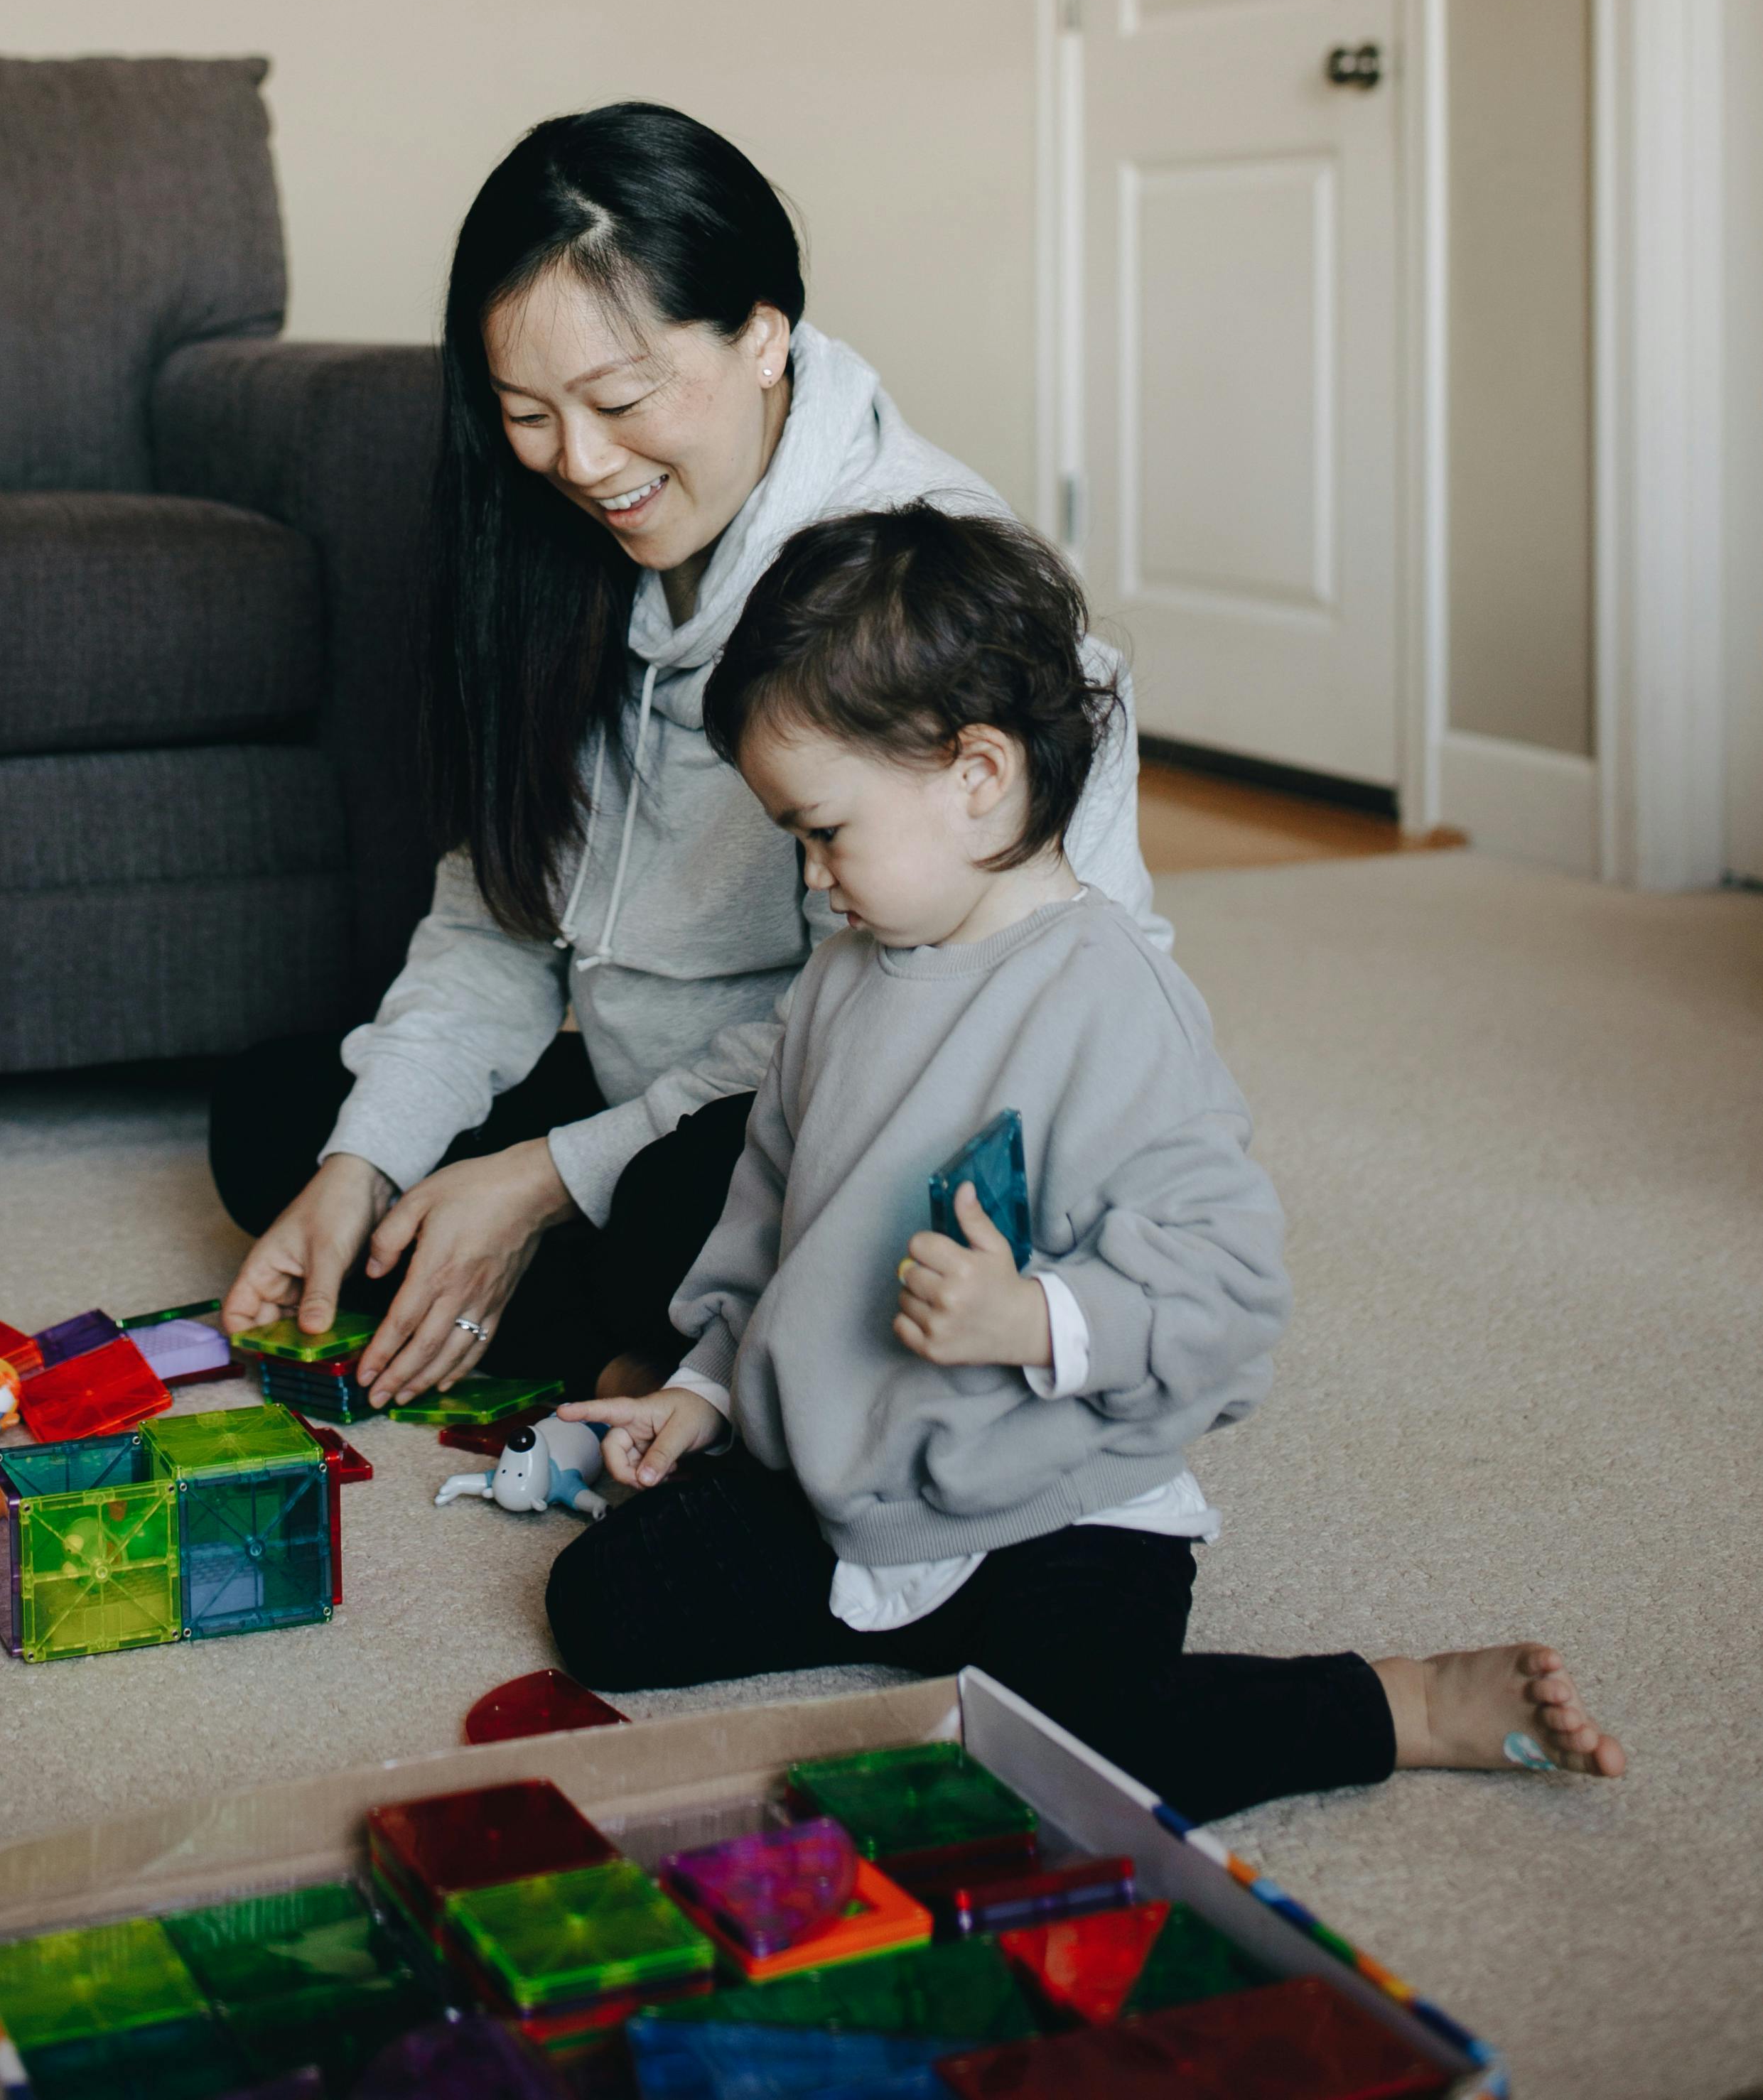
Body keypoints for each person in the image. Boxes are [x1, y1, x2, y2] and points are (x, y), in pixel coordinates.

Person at [546, 504, 1626, 1823]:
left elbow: (1228, 1302)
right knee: (603, 1608)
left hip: (1054, 1509)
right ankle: (914, 1629)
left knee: (1060, 1761)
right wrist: (706, 1388)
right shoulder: (843, 978)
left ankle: (1395, 1705)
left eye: (827, 830)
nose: (815, 877)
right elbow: (767, 1214)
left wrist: (1036, 1317)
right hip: (852, 1483)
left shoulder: (1112, 1003)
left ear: (977, 775)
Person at [213, 103, 1155, 1410]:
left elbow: (935, 1029)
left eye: (619, 399)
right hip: (638, 1087)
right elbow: (498, 915)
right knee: (284, 1125)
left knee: (702, 1221)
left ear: (765, 333)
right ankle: (631, 1338)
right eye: (526, 413)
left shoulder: (922, 593)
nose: (582, 465)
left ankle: (670, 1356)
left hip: (837, 1105)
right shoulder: (553, 550)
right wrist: (365, 1165)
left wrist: (547, 1178)